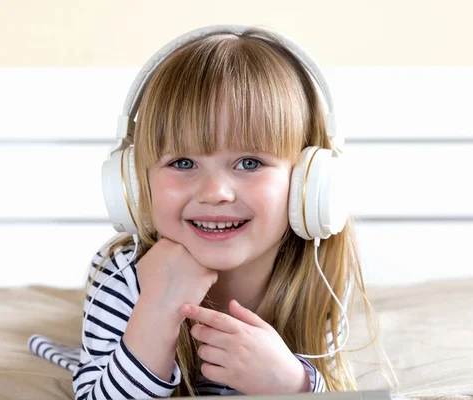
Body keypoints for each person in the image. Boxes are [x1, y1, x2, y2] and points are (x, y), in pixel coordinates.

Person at [28, 24, 394, 399]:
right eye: (183, 163)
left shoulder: (318, 272)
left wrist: (293, 384)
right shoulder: (122, 275)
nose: (215, 193)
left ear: (309, 184)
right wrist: (157, 308)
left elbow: (334, 386)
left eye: (249, 163)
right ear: (136, 182)